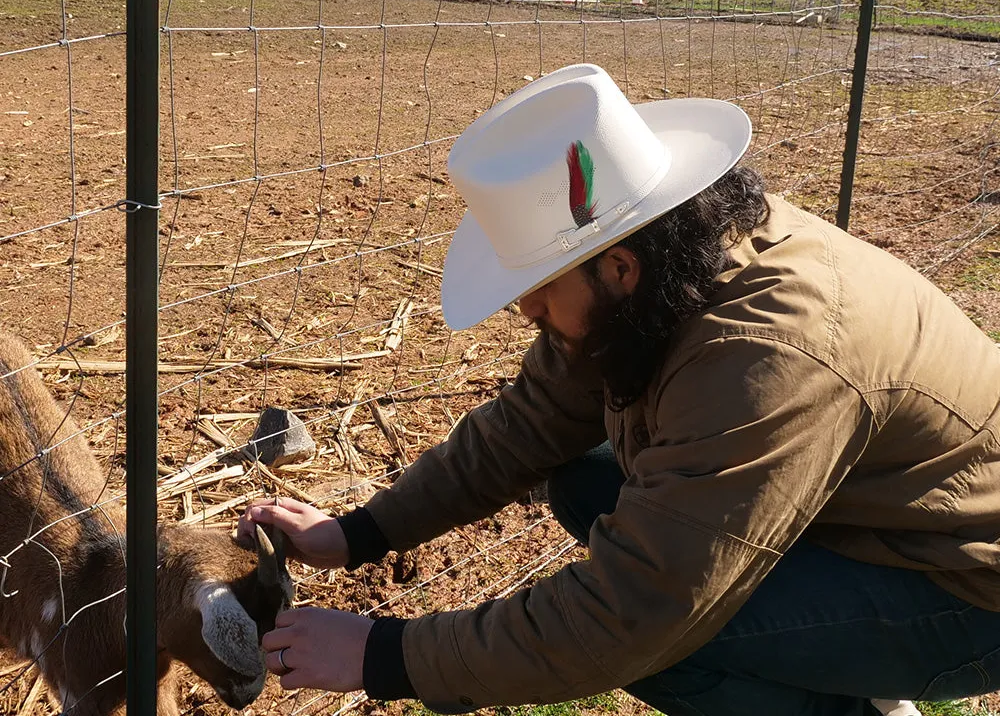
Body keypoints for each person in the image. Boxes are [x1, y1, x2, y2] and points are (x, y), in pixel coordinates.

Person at [239, 63, 1000, 716]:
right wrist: (359, 533)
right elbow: (532, 421)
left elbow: (633, 615)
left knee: (662, 644)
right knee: (585, 481)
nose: (528, 316)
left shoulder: (769, 354)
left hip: (968, 586)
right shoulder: (671, 267)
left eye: (536, 297)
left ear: (621, 268)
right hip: (882, 522)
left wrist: (385, 654)